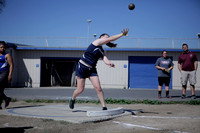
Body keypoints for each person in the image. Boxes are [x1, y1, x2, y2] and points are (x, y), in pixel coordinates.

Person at [69, 28, 129, 110]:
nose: (107, 39)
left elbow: (105, 59)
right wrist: (122, 34)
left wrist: (109, 63)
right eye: (106, 37)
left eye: (108, 38)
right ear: (101, 37)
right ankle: (72, 99)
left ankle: (104, 106)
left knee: (98, 88)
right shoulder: (96, 42)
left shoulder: (101, 50)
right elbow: (111, 39)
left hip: (92, 70)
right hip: (82, 67)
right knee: (80, 89)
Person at [0, 41, 13, 109]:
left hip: (4, 72)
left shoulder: (7, 55)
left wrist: (10, 75)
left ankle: (5, 100)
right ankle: (6, 99)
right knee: (0, 90)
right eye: (1, 47)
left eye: (4, 47)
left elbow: (11, 65)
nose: (3, 48)